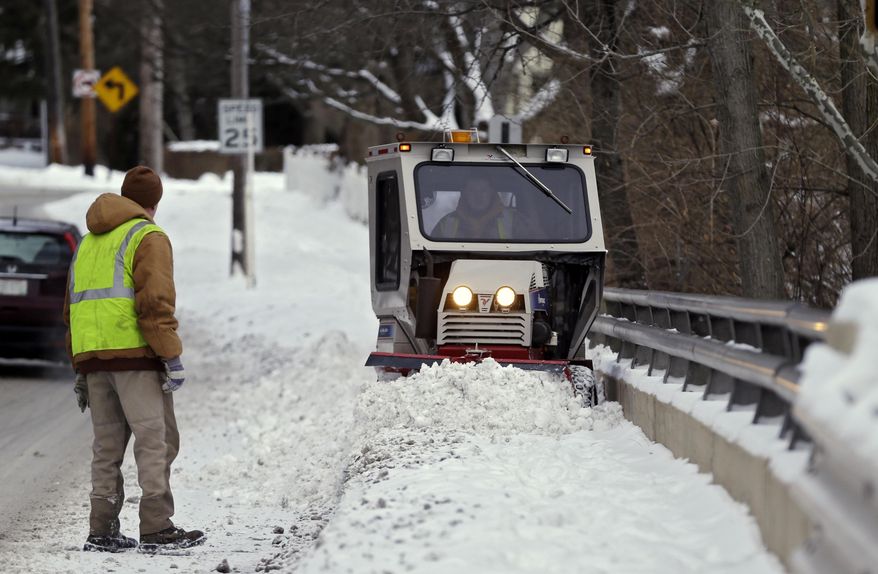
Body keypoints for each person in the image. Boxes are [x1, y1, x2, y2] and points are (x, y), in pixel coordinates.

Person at [63, 166, 204, 553]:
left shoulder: (89, 243)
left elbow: (71, 307)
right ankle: (157, 527)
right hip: (135, 360)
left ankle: (102, 529)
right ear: (155, 202)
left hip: (94, 361)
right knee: (155, 440)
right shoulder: (147, 236)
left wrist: (79, 365)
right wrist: (170, 355)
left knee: (106, 447)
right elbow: (155, 303)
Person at [433, 178, 513, 241]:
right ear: (464, 193)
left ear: (492, 192)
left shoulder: (514, 220)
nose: (478, 196)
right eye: (472, 191)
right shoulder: (447, 223)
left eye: (483, 190)